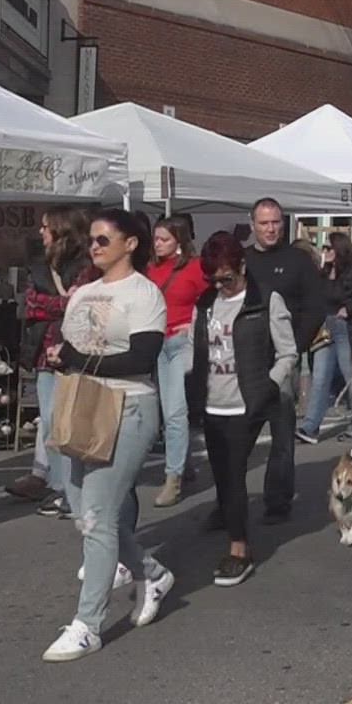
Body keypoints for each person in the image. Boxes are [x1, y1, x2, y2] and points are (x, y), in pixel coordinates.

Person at [40, 209, 173, 662]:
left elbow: (142, 357)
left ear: (130, 244)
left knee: (97, 518)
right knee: (86, 512)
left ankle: (87, 625)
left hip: (129, 406)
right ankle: (151, 573)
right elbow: (70, 342)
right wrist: (63, 356)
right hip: (81, 405)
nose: (94, 247)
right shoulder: (85, 291)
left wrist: (76, 358)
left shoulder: (145, 294)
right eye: (92, 240)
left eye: (103, 240)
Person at [189, 233, 298, 587]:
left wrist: (270, 384)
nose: (220, 286)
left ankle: (239, 548)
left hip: (246, 402)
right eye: (213, 279)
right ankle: (227, 515)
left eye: (226, 278)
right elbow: (196, 347)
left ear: (242, 267)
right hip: (211, 401)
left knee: (234, 474)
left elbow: (288, 352)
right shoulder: (205, 303)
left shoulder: (266, 300)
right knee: (221, 474)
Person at [8, 207, 96, 517]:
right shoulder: (41, 265)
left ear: (61, 230)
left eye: (46, 227)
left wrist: (59, 303)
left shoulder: (86, 264)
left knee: (67, 423)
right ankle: (61, 488)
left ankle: (72, 491)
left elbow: (84, 302)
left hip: (71, 351)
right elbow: (29, 303)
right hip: (44, 351)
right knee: (50, 424)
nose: (41, 232)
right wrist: (62, 302)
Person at [241, 198, 323, 525]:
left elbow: (316, 307)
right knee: (238, 435)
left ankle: (277, 501)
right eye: (264, 223)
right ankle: (228, 499)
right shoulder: (243, 260)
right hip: (246, 359)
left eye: (276, 222)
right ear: (253, 225)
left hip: (283, 358)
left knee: (282, 434)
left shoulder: (298, 261)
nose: (271, 229)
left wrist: (295, 347)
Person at [146, 216, 206, 508]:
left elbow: (209, 303)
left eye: (164, 240)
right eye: (156, 239)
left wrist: (192, 326)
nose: (158, 244)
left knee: (174, 413)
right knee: (166, 410)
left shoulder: (194, 268)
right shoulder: (151, 268)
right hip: (157, 342)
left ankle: (174, 477)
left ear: (179, 242)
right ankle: (185, 464)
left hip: (181, 343)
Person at [301, 232, 352, 443]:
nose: (325, 252)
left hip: (347, 328)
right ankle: (310, 426)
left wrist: (348, 309)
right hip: (326, 327)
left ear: (339, 249)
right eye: (323, 249)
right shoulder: (324, 273)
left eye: (328, 248)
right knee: (320, 377)